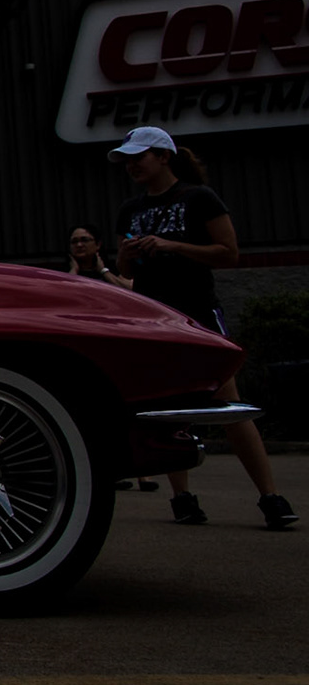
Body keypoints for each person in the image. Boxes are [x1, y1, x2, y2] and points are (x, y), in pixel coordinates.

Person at [110, 126, 296, 530]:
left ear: (164, 156)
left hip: (196, 313)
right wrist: (126, 256)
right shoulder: (130, 209)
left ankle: (270, 496)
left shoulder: (198, 197)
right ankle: (183, 499)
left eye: (138, 157)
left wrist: (171, 245)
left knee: (226, 402)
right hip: (153, 316)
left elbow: (228, 254)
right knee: (165, 406)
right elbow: (127, 272)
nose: (131, 165)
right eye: (127, 159)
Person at [67, 224, 157, 491]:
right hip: (86, 349)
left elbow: (131, 291)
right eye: (74, 241)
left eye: (85, 240)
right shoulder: (66, 276)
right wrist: (73, 271)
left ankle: (143, 473)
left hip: (116, 344)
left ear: (97, 244)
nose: (80, 245)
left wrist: (103, 270)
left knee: (128, 408)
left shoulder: (112, 272)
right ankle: (111, 472)